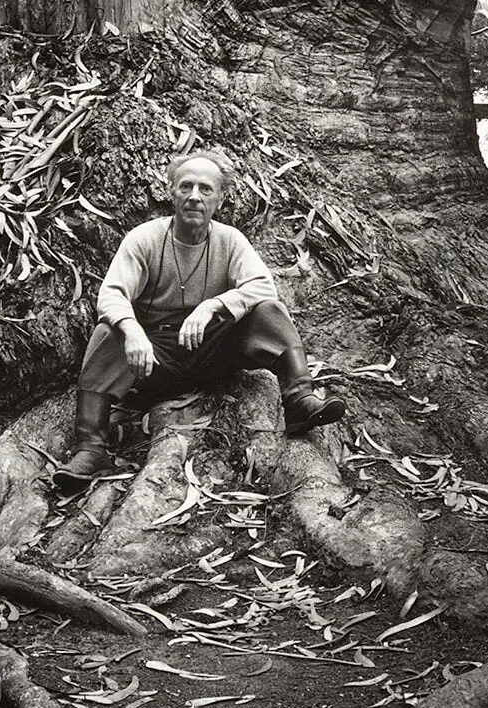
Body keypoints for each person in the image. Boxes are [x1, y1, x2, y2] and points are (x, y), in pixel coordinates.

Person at [53, 149, 345, 493]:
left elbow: (263, 285)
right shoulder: (144, 239)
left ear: (219, 199)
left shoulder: (230, 240)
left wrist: (212, 307)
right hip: (155, 363)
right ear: (171, 192)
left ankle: (299, 400)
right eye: (186, 186)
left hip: (212, 356)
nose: (194, 196)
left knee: (269, 310)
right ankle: (91, 447)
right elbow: (111, 294)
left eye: (205, 189)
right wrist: (132, 332)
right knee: (108, 331)